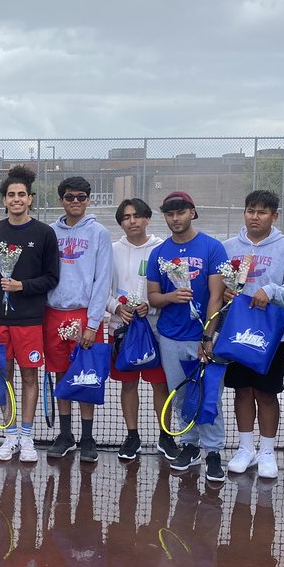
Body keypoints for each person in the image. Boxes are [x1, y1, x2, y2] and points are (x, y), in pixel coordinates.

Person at [222, 190, 284, 479]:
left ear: (274, 216)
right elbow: (217, 286)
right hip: (235, 334)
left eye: (261, 212)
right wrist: (224, 292)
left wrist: (270, 291)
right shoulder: (229, 247)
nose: (254, 216)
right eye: (250, 210)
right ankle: (245, 449)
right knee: (242, 391)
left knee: (266, 393)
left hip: (271, 337)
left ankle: (267, 451)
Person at [0, 165, 60, 463]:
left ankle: (27, 437)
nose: (16, 199)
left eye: (21, 195)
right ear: (4, 200)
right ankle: (9, 435)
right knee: (3, 378)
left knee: (29, 377)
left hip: (29, 321)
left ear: (30, 198)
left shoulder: (44, 233)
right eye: (11, 195)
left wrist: (21, 286)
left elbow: (52, 278)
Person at [146, 190, 228, 483]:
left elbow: (216, 296)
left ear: (192, 212)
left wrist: (208, 337)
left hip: (203, 337)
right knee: (180, 396)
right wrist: (171, 296)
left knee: (210, 397)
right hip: (170, 336)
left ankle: (214, 451)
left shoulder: (212, 247)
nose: (175, 218)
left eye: (180, 212)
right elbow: (153, 298)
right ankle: (190, 445)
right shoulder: (158, 253)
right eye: (169, 213)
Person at [44, 176, 113, 464]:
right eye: (70, 197)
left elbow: (103, 280)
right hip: (54, 314)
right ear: (61, 200)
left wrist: (93, 323)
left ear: (89, 200)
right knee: (61, 374)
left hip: (85, 314)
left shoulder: (99, 233)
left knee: (86, 376)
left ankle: (87, 437)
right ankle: (65, 435)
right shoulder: (50, 233)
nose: (76, 202)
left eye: (81, 197)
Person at [106, 198, 172, 463]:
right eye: (125, 217)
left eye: (136, 216)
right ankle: (132, 436)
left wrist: (152, 307)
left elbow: (168, 289)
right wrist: (115, 308)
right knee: (128, 385)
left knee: (160, 385)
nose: (131, 221)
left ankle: (166, 436)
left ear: (147, 219)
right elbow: (103, 289)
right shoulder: (111, 250)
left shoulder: (162, 249)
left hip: (155, 331)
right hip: (122, 331)